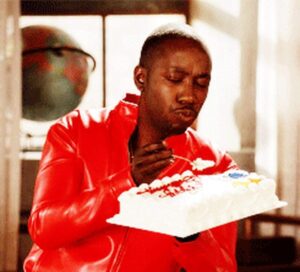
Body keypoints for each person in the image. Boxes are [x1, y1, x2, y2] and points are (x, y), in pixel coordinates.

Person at [24, 23, 238, 271]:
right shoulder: (75, 130)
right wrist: (126, 183)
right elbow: (44, 228)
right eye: (175, 79)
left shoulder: (215, 164)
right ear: (141, 78)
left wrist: (191, 232)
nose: (189, 95)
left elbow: (221, 268)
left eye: (200, 83)